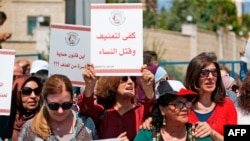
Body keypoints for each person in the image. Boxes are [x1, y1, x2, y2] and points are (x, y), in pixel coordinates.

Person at [78, 63, 155, 141]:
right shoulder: (101, 112)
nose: (130, 82)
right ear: (112, 82)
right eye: (124, 78)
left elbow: (155, 111)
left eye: (133, 78)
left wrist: (148, 87)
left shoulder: (141, 111)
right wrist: (90, 85)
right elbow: (85, 108)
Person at [18, 74, 93, 140]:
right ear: (45, 101)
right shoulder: (31, 128)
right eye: (54, 106)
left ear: (72, 99)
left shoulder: (86, 125)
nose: (60, 111)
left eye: (66, 105)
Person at [185, 54, 237, 140]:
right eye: (204, 73)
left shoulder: (227, 105)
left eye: (214, 72)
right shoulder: (182, 107)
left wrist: (212, 133)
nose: (210, 77)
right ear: (194, 76)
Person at [134, 80, 199, 141]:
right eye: (178, 104)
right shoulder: (147, 134)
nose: (185, 108)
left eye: (187, 103)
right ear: (162, 109)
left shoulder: (198, 133)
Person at [0, 75, 42, 141]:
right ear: (16, 94)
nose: (33, 96)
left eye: (37, 91)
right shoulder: (5, 121)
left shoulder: (44, 121)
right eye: (27, 91)